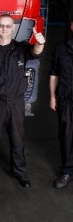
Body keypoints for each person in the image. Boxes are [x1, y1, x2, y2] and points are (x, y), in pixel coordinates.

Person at [0, 14, 45, 187]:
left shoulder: (21, 49)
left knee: (17, 139)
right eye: (1, 26)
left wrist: (40, 42)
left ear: (13, 28)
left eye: (8, 26)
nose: (5, 29)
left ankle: (20, 172)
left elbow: (35, 52)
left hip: (15, 103)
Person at [49, 20, 73, 189]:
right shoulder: (62, 47)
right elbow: (54, 74)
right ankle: (67, 171)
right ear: (72, 25)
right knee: (66, 136)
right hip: (66, 100)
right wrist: (52, 97)